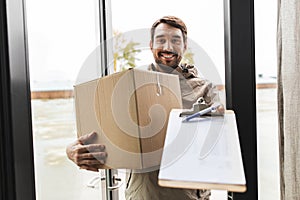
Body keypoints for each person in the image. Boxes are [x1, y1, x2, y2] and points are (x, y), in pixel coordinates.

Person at [66, 16, 224, 200]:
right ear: (151, 45)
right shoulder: (130, 84)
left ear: (185, 46)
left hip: (189, 195)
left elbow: (220, 144)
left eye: (175, 40)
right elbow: (101, 128)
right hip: (142, 194)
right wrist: (71, 151)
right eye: (161, 40)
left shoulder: (204, 88)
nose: (168, 47)